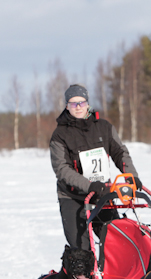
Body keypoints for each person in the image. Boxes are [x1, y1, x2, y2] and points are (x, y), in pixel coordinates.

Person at [49, 84, 142, 251]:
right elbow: (62, 169)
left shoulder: (104, 127)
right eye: (73, 103)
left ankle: (114, 275)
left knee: (116, 244)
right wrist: (88, 185)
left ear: (88, 104)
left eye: (81, 103)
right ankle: (87, 276)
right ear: (66, 106)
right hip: (72, 197)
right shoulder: (59, 135)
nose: (78, 107)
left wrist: (131, 176)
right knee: (81, 251)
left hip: (102, 194)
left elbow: (120, 152)